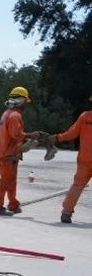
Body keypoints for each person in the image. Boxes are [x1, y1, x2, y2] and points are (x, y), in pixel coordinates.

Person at [0, 86, 42, 216]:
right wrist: (31, 135)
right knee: (5, 180)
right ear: (22, 100)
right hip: (8, 154)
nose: (26, 105)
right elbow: (16, 134)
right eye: (26, 101)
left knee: (11, 180)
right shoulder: (14, 115)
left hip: (8, 153)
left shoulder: (6, 113)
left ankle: (13, 204)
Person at [50, 94, 92, 224]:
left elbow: (72, 133)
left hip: (84, 158)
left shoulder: (85, 116)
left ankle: (66, 213)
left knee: (77, 186)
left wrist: (57, 137)